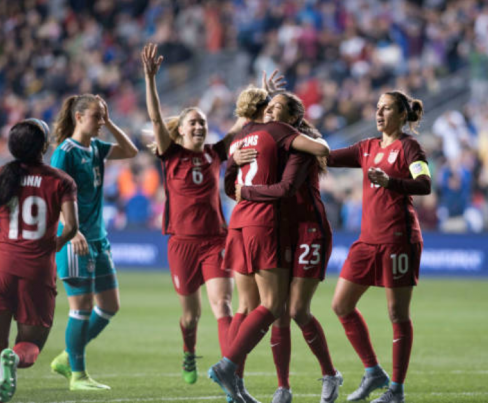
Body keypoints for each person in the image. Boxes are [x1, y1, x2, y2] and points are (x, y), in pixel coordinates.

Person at [209, 86, 330, 403]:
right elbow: (285, 187)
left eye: (279, 106)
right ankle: (231, 369)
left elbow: (228, 184)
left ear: (294, 117)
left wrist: (235, 164)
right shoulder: (275, 134)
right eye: (270, 104)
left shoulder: (245, 137)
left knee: (257, 308)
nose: (273, 110)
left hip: (249, 222)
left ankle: (248, 385)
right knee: (276, 307)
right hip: (266, 223)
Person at [142, 43, 247, 385]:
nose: (200, 128)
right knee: (191, 316)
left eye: (202, 123)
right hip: (181, 244)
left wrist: (258, 100)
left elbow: (239, 124)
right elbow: (156, 118)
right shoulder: (169, 154)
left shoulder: (216, 154)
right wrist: (150, 79)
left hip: (216, 240)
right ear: (182, 130)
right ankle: (189, 352)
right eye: (194, 124)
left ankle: (231, 376)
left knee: (224, 307)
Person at [329, 91, 431, 403]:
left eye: (386, 108)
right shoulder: (367, 148)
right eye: (377, 108)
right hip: (367, 241)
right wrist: (295, 135)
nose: (379, 113)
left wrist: (391, 182)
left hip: (398, 239)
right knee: (341, 305)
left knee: (396, 313)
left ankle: (396, 391)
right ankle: (373, 371)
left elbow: (425, 184)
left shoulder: (410, 147)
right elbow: (329, 157)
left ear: (402, 115)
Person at [49, 94, 138, 391]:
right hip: (76, 239)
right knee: (82, 307)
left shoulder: (96, 148)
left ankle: (67, 356)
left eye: (103, 116)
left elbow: (131, 150)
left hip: (100, 239)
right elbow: (54, 197)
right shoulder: (65, 152)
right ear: (78, 117)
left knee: (110, 305)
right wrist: (71, 231)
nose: (100, 121)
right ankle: (78, 375)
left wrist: (111, 122)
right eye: (96, 116)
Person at [0, 120, 79, 403]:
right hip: (37, 269)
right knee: (31, 343)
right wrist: (57, 244)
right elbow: (72, 227)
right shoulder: (61, 180)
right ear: (45, 146)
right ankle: (13, 359)